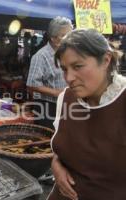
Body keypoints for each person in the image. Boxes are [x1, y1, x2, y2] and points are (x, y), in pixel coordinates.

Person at [48, 29, 126, 200]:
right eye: (64, 69)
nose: (69, 78)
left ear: (106, 60)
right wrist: (56, 164)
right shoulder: (66, 98)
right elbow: (63, 146)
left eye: (77, 66)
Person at [26, 16, 73, 129]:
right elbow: (32, 83)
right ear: (53, 37)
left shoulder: (67, 53)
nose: (69, 38)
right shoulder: (41, 56)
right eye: (64, 35)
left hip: (65, 104)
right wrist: (57, 93)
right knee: (48, 139)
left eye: (70, 35)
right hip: (48, 107)